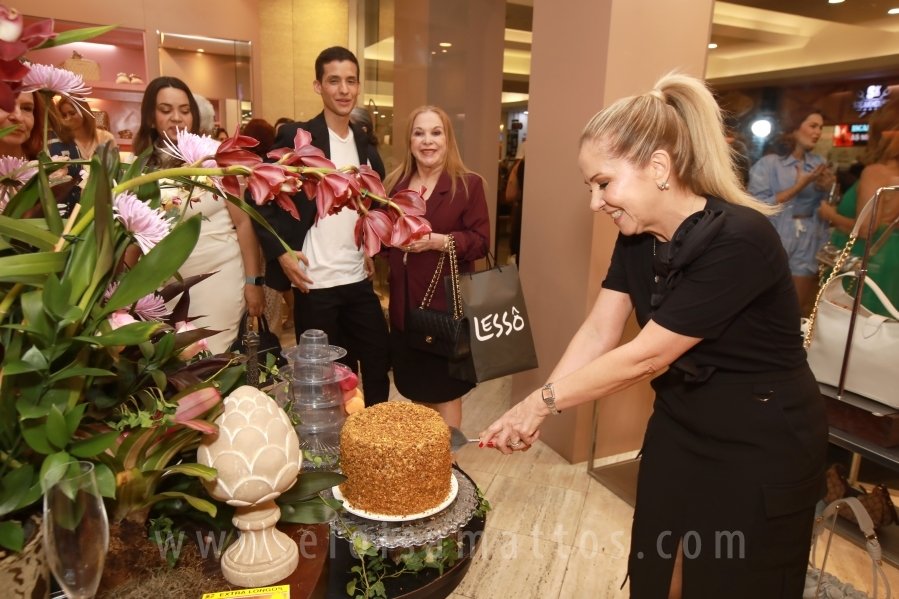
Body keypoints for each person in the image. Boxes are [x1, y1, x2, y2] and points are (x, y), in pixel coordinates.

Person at [480, 73, 827, 599]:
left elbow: (647, 356)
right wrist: (543, 401)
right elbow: (600, 328)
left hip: (760, 441)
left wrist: (539, 404)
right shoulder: (637, 239)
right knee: (658, 565)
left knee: (732, 576)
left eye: (603, 183)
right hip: (682, 425)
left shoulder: (740, 240)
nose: (596, 202)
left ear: (659, 168)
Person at [253, 46, 390, 406]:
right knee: (327, 383)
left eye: (350, 81)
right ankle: (333, 452)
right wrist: (281, 252)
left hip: (357, 280)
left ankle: (371, 445)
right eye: (334, 81)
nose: (344, 90)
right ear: (318, 86)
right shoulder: (300, 138)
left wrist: (368, 244)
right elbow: (258, 197)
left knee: (376, 364)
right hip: (316, 285)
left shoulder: (365, 142)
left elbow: (371, 202)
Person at [134, 76, 264, 353]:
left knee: (212, 356)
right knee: (174, 361)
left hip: (220, 278)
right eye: (166, 110)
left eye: (184, 110)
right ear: (150, 116)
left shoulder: (212, 159)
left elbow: (243, 223)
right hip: (164, 284)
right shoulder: (140, 169)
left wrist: (254, 282)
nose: (177, 118)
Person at [383, 106, 490, 427]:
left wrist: (438, 241)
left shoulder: (468, 185)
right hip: (404, 310)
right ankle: (427, 466)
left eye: (435, 132)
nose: (427, 141)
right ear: (410, 141)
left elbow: (481, 241)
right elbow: (383, 238)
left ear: (447, 139)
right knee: (417, 391)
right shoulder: (395, 185)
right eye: (419, 133)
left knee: (445, 393)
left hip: (445, 311)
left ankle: (448, 467)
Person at [748, 108, 835, 315]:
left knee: (796, 308)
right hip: (774, 235)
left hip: (808, 238)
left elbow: (825, 208)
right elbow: (757, 205)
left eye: (820, 128)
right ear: (795, 129)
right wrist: (798, 187)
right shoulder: (770, 164)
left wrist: (828, 189)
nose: (818, 132)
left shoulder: (819, 164)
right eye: (813, 126)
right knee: (762, 303)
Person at [819, 98, 899, 314]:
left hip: (867, 263)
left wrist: (830, 214)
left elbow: (866, 229)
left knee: (850, 326)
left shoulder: (876, 172)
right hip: (891, 260)